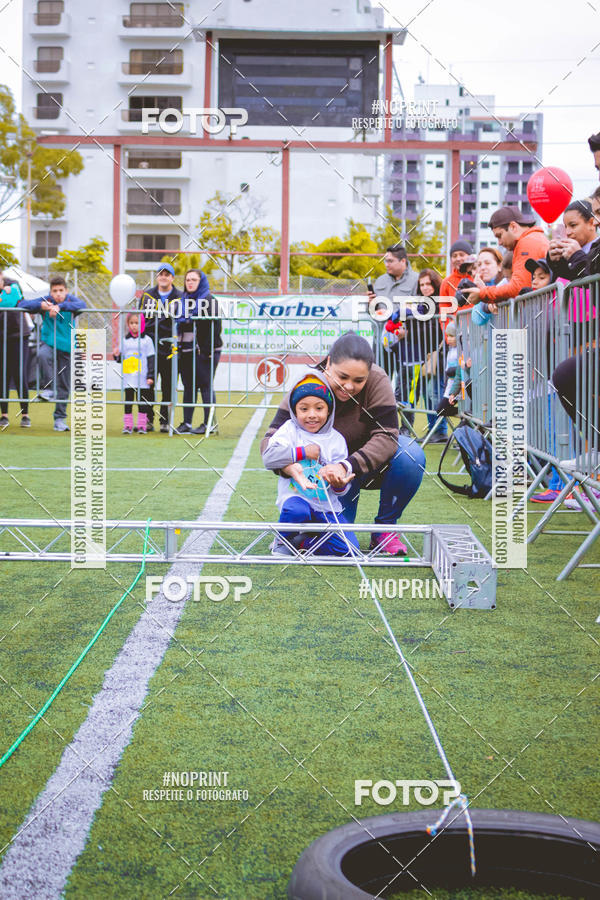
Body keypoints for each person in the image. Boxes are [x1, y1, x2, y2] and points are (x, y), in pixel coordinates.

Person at [260, 332, 426, 556]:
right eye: (343, 377)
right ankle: (300, 535)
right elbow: (268, 444)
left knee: (410, 454)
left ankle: (385, 530)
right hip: (323, 479)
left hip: (356, 468)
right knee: (343, 543)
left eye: (359, 380)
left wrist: (347, 466)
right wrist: (289, 465)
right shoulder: (308, 385)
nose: (349, 386)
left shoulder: (378, 379)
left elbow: (387, 436)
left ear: (370, 372)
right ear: (328, 364)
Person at [262, 371, 359, 556]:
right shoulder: (290, 430)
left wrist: (339, 486)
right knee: (296, 510)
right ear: (294, 411)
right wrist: (303, 452)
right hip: (296, 499)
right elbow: (269, 457)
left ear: (329, 410)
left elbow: (343, 488)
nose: (312, 415)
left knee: (349, 549)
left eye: (319, 408)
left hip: (325, 506)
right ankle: (282, 539)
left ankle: (302, 541)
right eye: (304, 409)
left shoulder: (337, 440)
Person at [19, 275, 86, 432]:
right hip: (49, 343)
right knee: (42, 355)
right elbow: (23, 304)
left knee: (64, 384)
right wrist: (42, 306)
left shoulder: (70, 301)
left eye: (61, 291)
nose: (58, 294)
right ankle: (48, 387)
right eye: (55, 291)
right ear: (50, 292)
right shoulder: (46, 300)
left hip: (68, 347)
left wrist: (60, 307)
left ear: (66, 291)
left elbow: (81, 304)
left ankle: (59, 419)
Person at [463, 206, 549, 306]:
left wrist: (483, 293)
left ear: (513, 227)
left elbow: (518, 287)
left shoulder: (527, 242)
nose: (499, 243)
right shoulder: (532, 239)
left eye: (499, 235)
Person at [175, 268, 222, 436]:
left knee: (205, 385)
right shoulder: (183, 300)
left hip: (205, 351)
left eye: (194, 280)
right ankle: (186, 423)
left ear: (200, 281)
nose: (190, 282)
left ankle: (209, 423)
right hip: (186, 350)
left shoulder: (209, 300)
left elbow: (215, 327)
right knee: (189, 386)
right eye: (188, 279)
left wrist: (207, 351)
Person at [139, 263, 181, 432]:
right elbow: (140, 318)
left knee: (168, 385)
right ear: (157, 277)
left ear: (172, 277)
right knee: (147, 383)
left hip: (170, 346)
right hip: (150, 345)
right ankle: (148, 419)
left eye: (167, 274)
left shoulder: (180, 296)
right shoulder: (148, 294)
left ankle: (165, 420)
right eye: (160, 274)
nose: (163, 277)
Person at [370, 244, 419, 382]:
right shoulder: (380, 280)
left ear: (403, 261)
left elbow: (420, 310)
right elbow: (374, 313)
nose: (386, 264)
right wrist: (371, 305)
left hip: (406, 341)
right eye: (385, 260)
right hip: (382, 340)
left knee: (405, 383)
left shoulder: (417, 280)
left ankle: (404, 404)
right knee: (379, 381)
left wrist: (407, 330)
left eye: (390, 261)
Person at [113, 312, 155, 434]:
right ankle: (128, 425)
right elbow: (121, 358)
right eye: (131, 323)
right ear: (128, 325)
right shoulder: (125, 340)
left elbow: (151, 359)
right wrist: (116, 355)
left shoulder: (147, 340)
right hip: (129, 377)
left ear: (142, 324)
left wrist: (150, 376)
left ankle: (142, 425)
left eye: (137, 323)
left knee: (142, 401)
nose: (134, 326)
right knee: (129, 400)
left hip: (142, 376)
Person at [0, 274, 30, 428]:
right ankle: (4, 415)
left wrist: (7, 291)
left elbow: (14, 299)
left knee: (20, 374)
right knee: (3, 375)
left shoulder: (13, 285)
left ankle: (25, 415)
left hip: (19, 336)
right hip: (1, 337)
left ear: (2, 277)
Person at [547, 199, 599, 282]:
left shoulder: (596, 251)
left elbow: (590, 279)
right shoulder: (569, 253)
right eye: (565, 227)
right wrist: (556, 261)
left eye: (573, 225)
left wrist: (576, 256)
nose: (567, 232)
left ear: (591, 223)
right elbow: (571, 276)